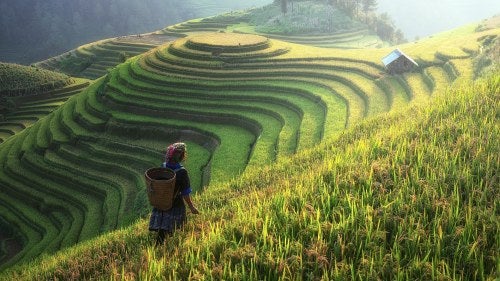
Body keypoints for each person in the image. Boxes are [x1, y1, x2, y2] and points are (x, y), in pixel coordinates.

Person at [149, 142, 200, 245]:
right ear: (181, 156)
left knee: (162, 229)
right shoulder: (182, 172)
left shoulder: (163, 167)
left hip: (161, 202)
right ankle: (164, 248)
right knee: (170, 230)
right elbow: (185, 193)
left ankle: (160, 246)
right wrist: (192, 207)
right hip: (175, 204)